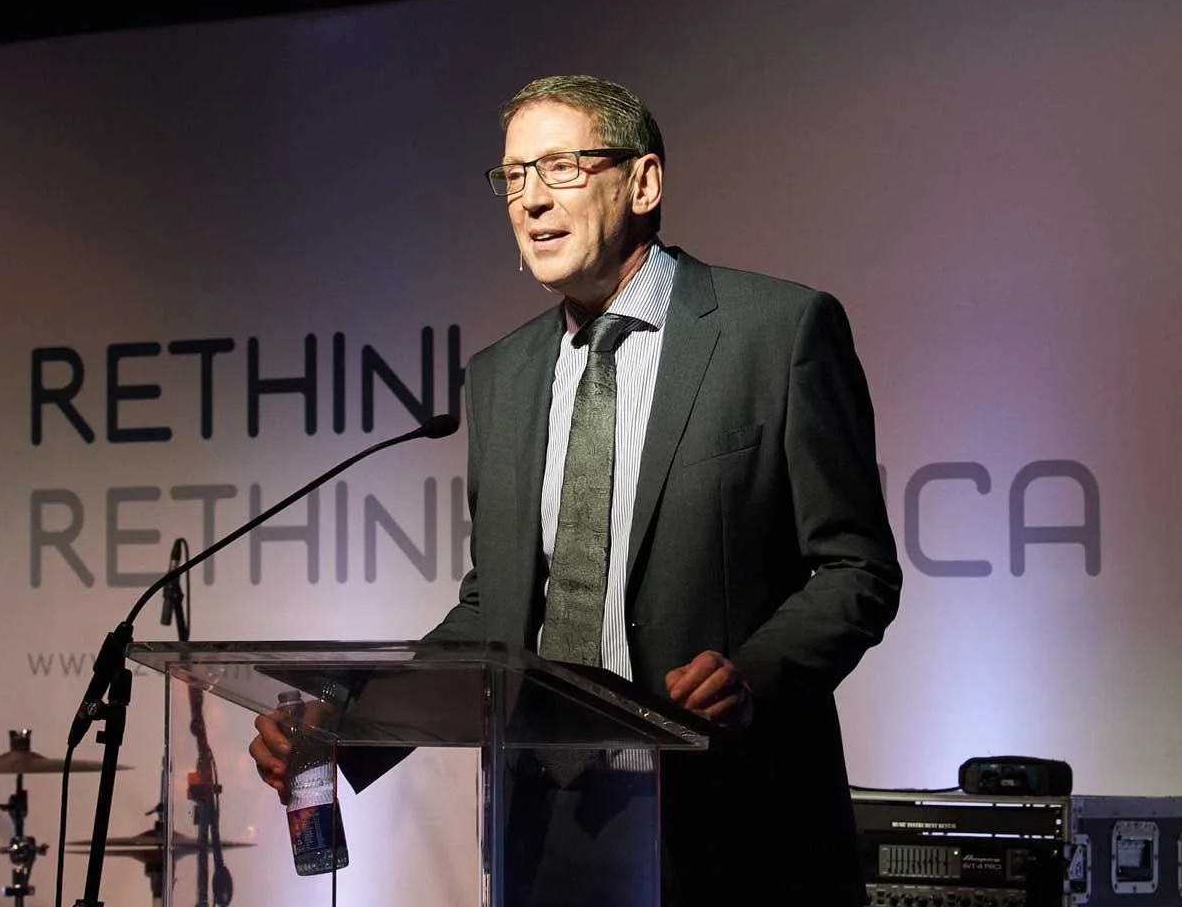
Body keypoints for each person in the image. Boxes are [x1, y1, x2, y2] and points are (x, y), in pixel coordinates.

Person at [251, 75, 902, 905]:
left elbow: (855, 569)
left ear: (643, 182)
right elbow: (493, 611)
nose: (530, 199)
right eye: (513, 176)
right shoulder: (501, 376)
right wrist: (351, 726)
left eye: (560, 167)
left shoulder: (776, 333)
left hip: (730, 817)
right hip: (544, 827)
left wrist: (753, 675)